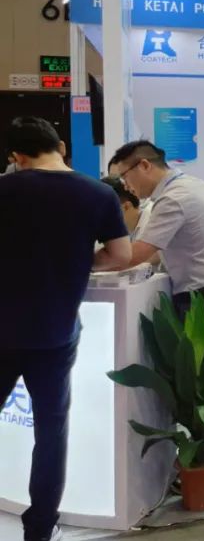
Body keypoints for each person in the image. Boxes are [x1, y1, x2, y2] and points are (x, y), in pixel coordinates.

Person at [0, 117, 131, 541]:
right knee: (50, 432)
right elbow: (121, 254)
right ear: (60, 146)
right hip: (55, 331)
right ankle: (40, 528)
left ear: (17, 156)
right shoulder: (98, 193)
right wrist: (77, 261)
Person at [109, 140, 204, 326]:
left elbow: (135, 255)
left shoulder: (173, 198)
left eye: (124, 177)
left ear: (144, 166)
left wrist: (86, 264)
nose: (125, 186)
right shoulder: (191, 184)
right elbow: (157, 252)